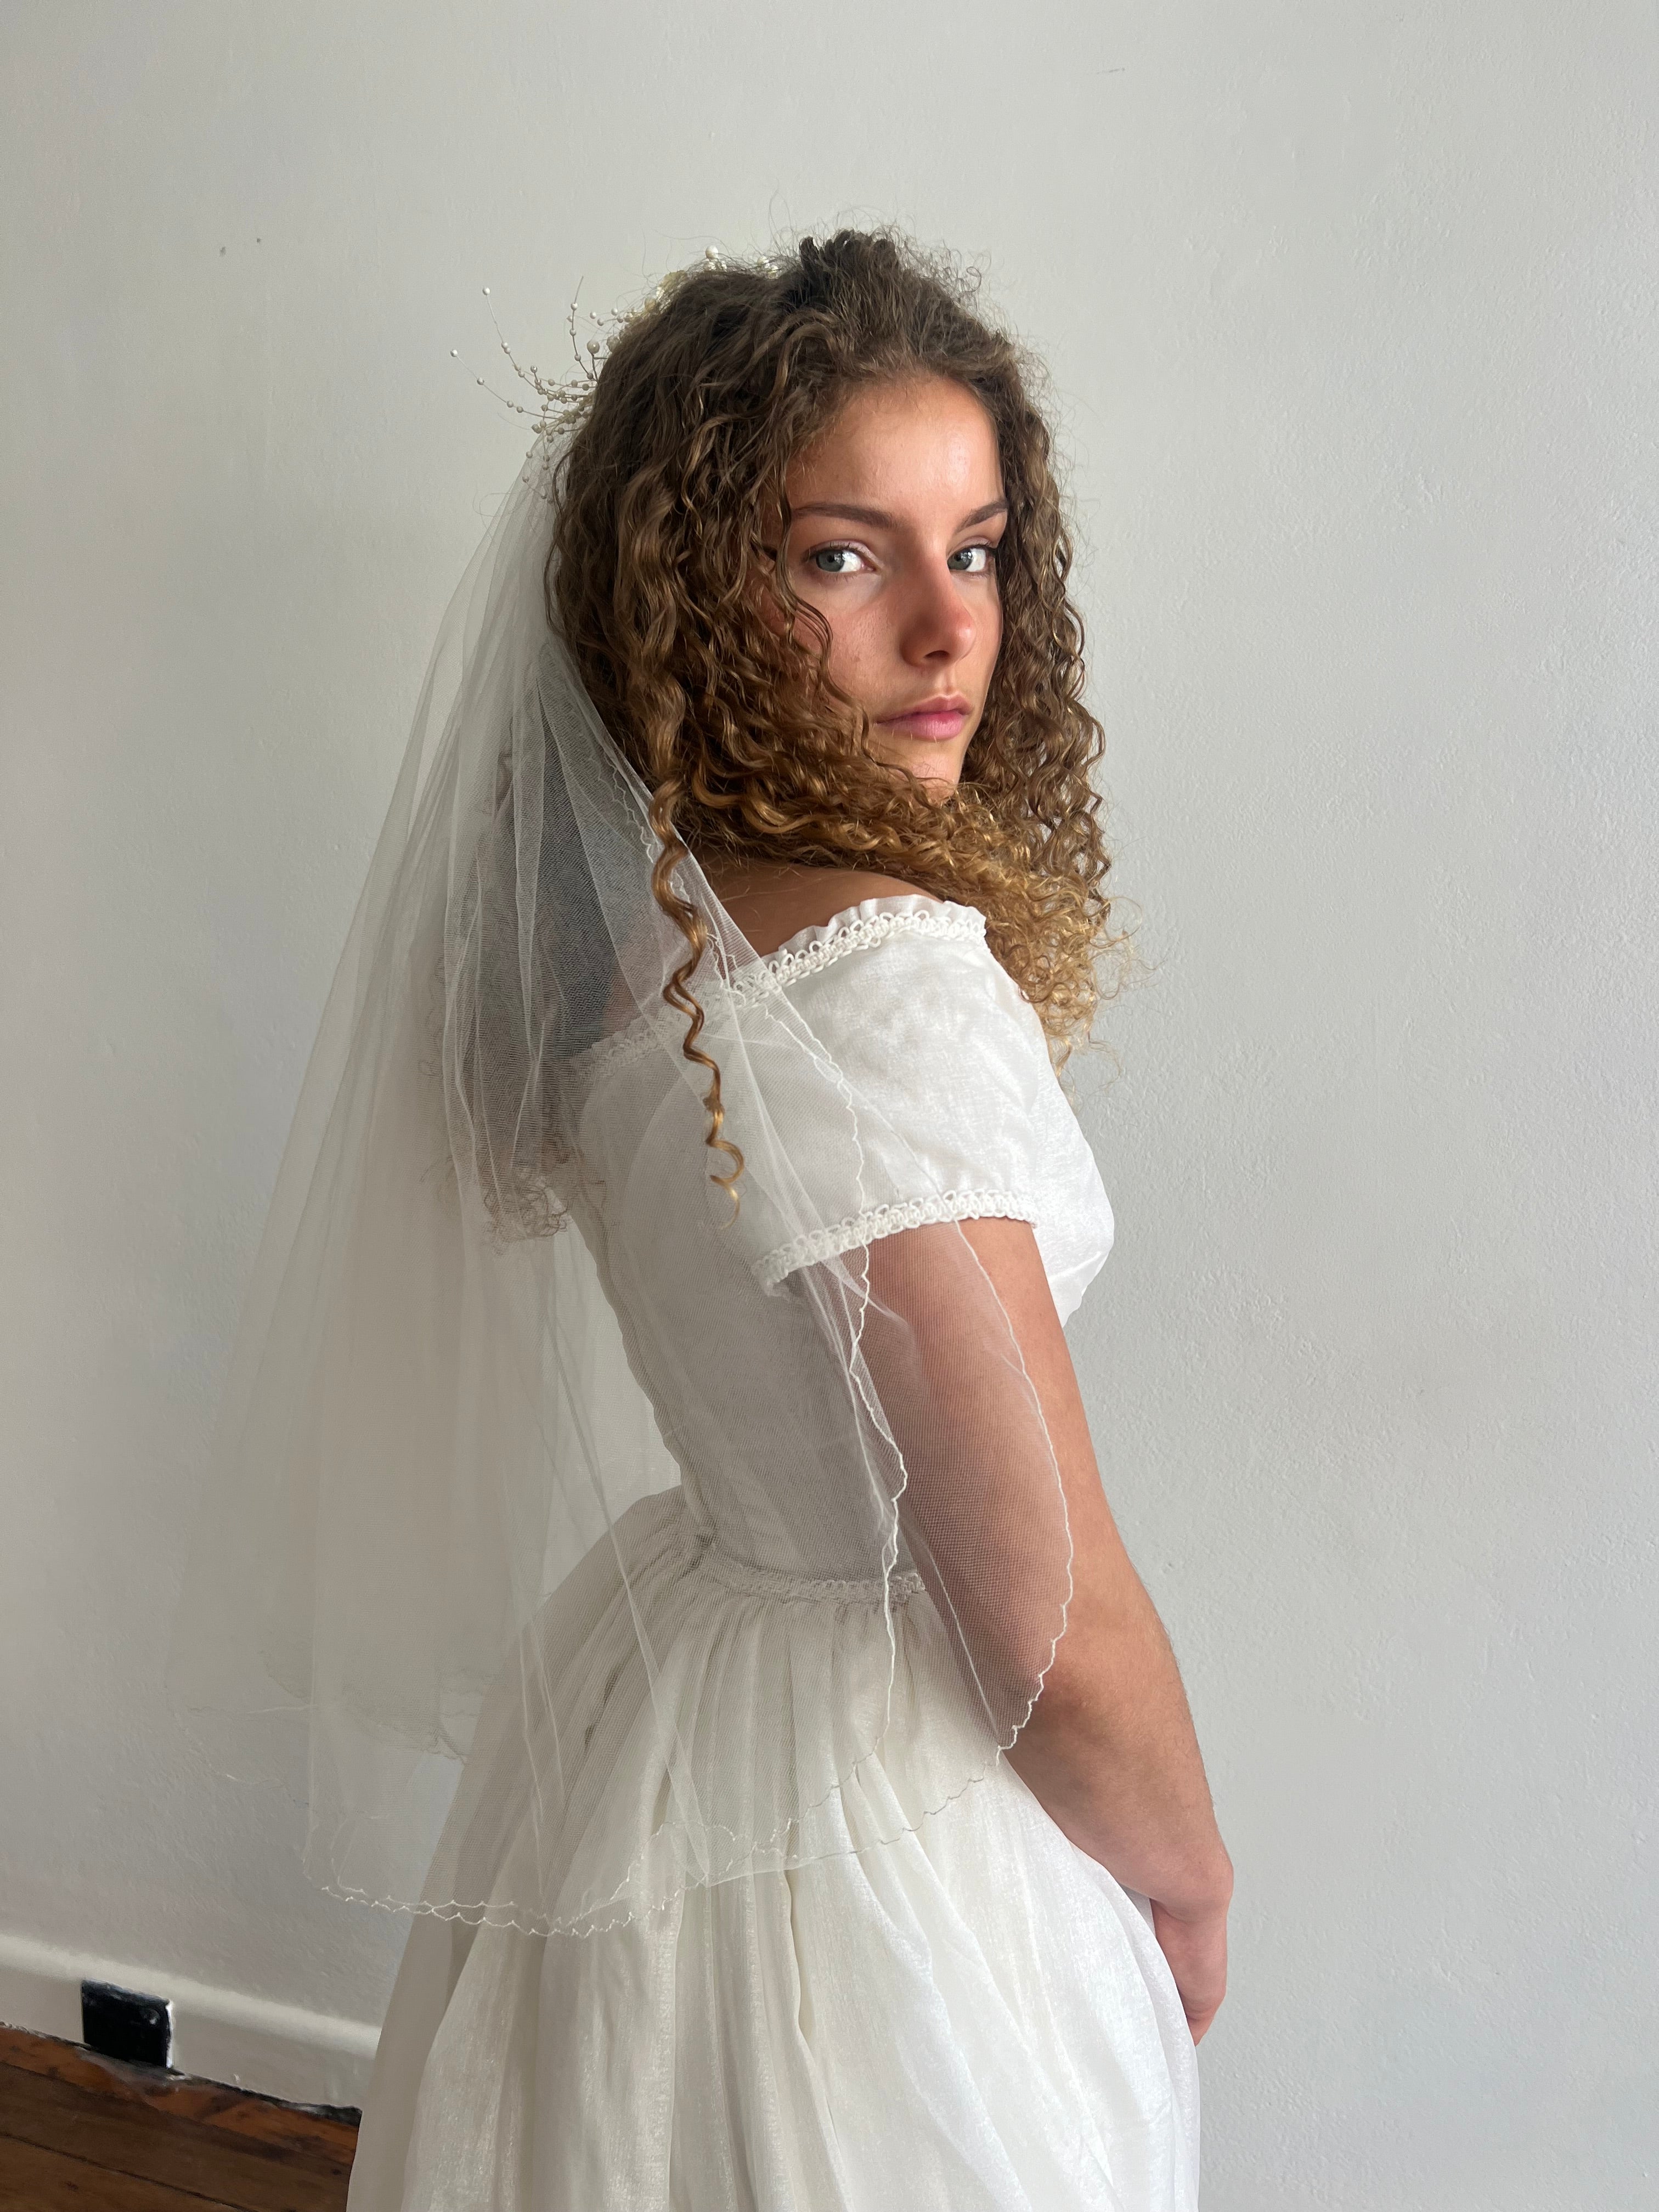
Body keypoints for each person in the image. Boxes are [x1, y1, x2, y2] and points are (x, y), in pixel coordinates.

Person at [170, 229, 1229, 2211]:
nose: (948, 627)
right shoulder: (882, 987)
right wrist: (1186, 1878)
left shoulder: (640, 942)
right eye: (843, 555)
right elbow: (1047, 1619)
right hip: (889, 1805)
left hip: (669, 1713)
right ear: (695, 593)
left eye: (978, 548)